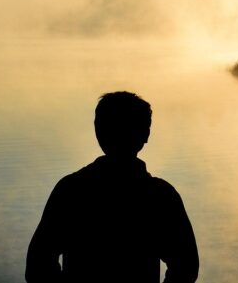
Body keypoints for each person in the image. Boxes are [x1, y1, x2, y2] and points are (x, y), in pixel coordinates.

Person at [26, 91, 199, 283]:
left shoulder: (70, 190)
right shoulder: (161, 196)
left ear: (98, 132)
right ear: (146, 134)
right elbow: (186, 267)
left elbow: (38, 264)